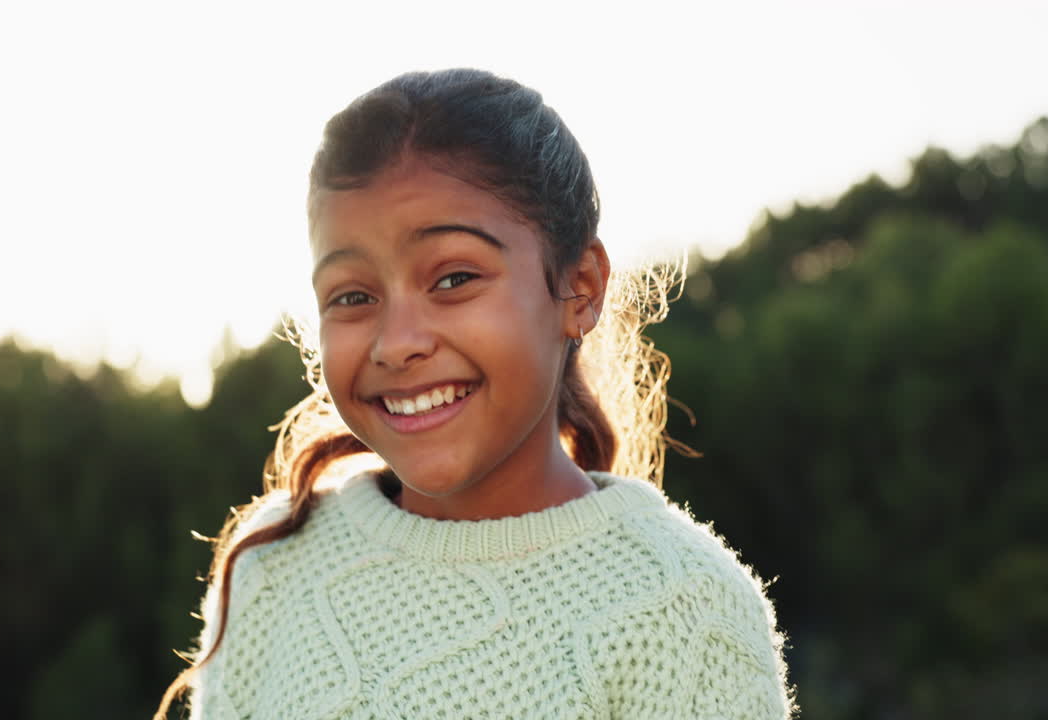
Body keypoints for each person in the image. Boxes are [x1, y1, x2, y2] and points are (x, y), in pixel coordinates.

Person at [155, 68, 793, 719]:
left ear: (579, 288)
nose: (397, 341)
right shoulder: (274, 562)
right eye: (352, 296)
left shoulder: (686, 611)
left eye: (454, 278)